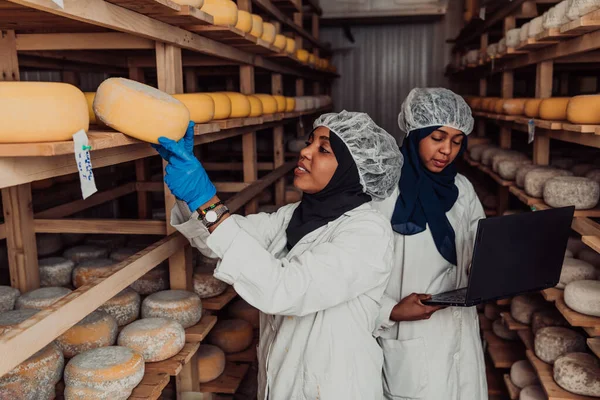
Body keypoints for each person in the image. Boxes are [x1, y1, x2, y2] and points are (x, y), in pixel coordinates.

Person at [153, 110, 403, 399]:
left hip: (336, 387)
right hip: (283, 382)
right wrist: (191, 196)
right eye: (310, 141)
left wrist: (207, 201)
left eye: (323, 149)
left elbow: (285, 289)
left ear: (351, 171)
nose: (305, 151)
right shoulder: (293, 216)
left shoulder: (368, 232)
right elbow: (218, 240)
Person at [374, 88, 488, 400]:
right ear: (416, 133)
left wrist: (491, 268)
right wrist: (390, 311)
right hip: (408, 336)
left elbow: (480, 242)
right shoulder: (385, 194)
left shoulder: (462, 188)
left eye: (456, 140)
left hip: (460, 331)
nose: (446, 151)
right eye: (437, 137)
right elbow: (353, 274)